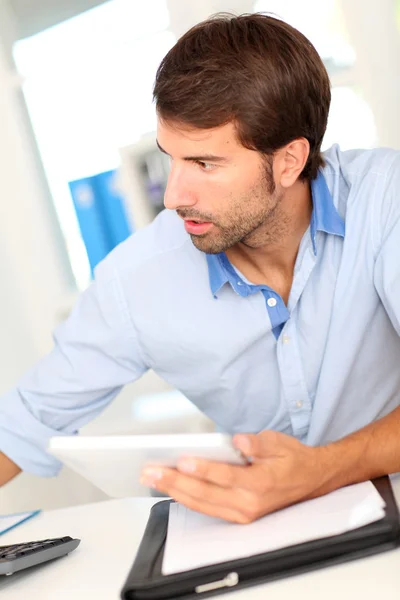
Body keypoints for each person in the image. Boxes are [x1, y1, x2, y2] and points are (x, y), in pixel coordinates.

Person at [1, 12, 400, 524]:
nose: (172, 197)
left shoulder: (384, 199)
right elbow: (23, 423)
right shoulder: (136, 279)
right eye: (172, 157)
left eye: (205, 164)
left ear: (288, 161)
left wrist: (320, 469)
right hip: (264, 542)